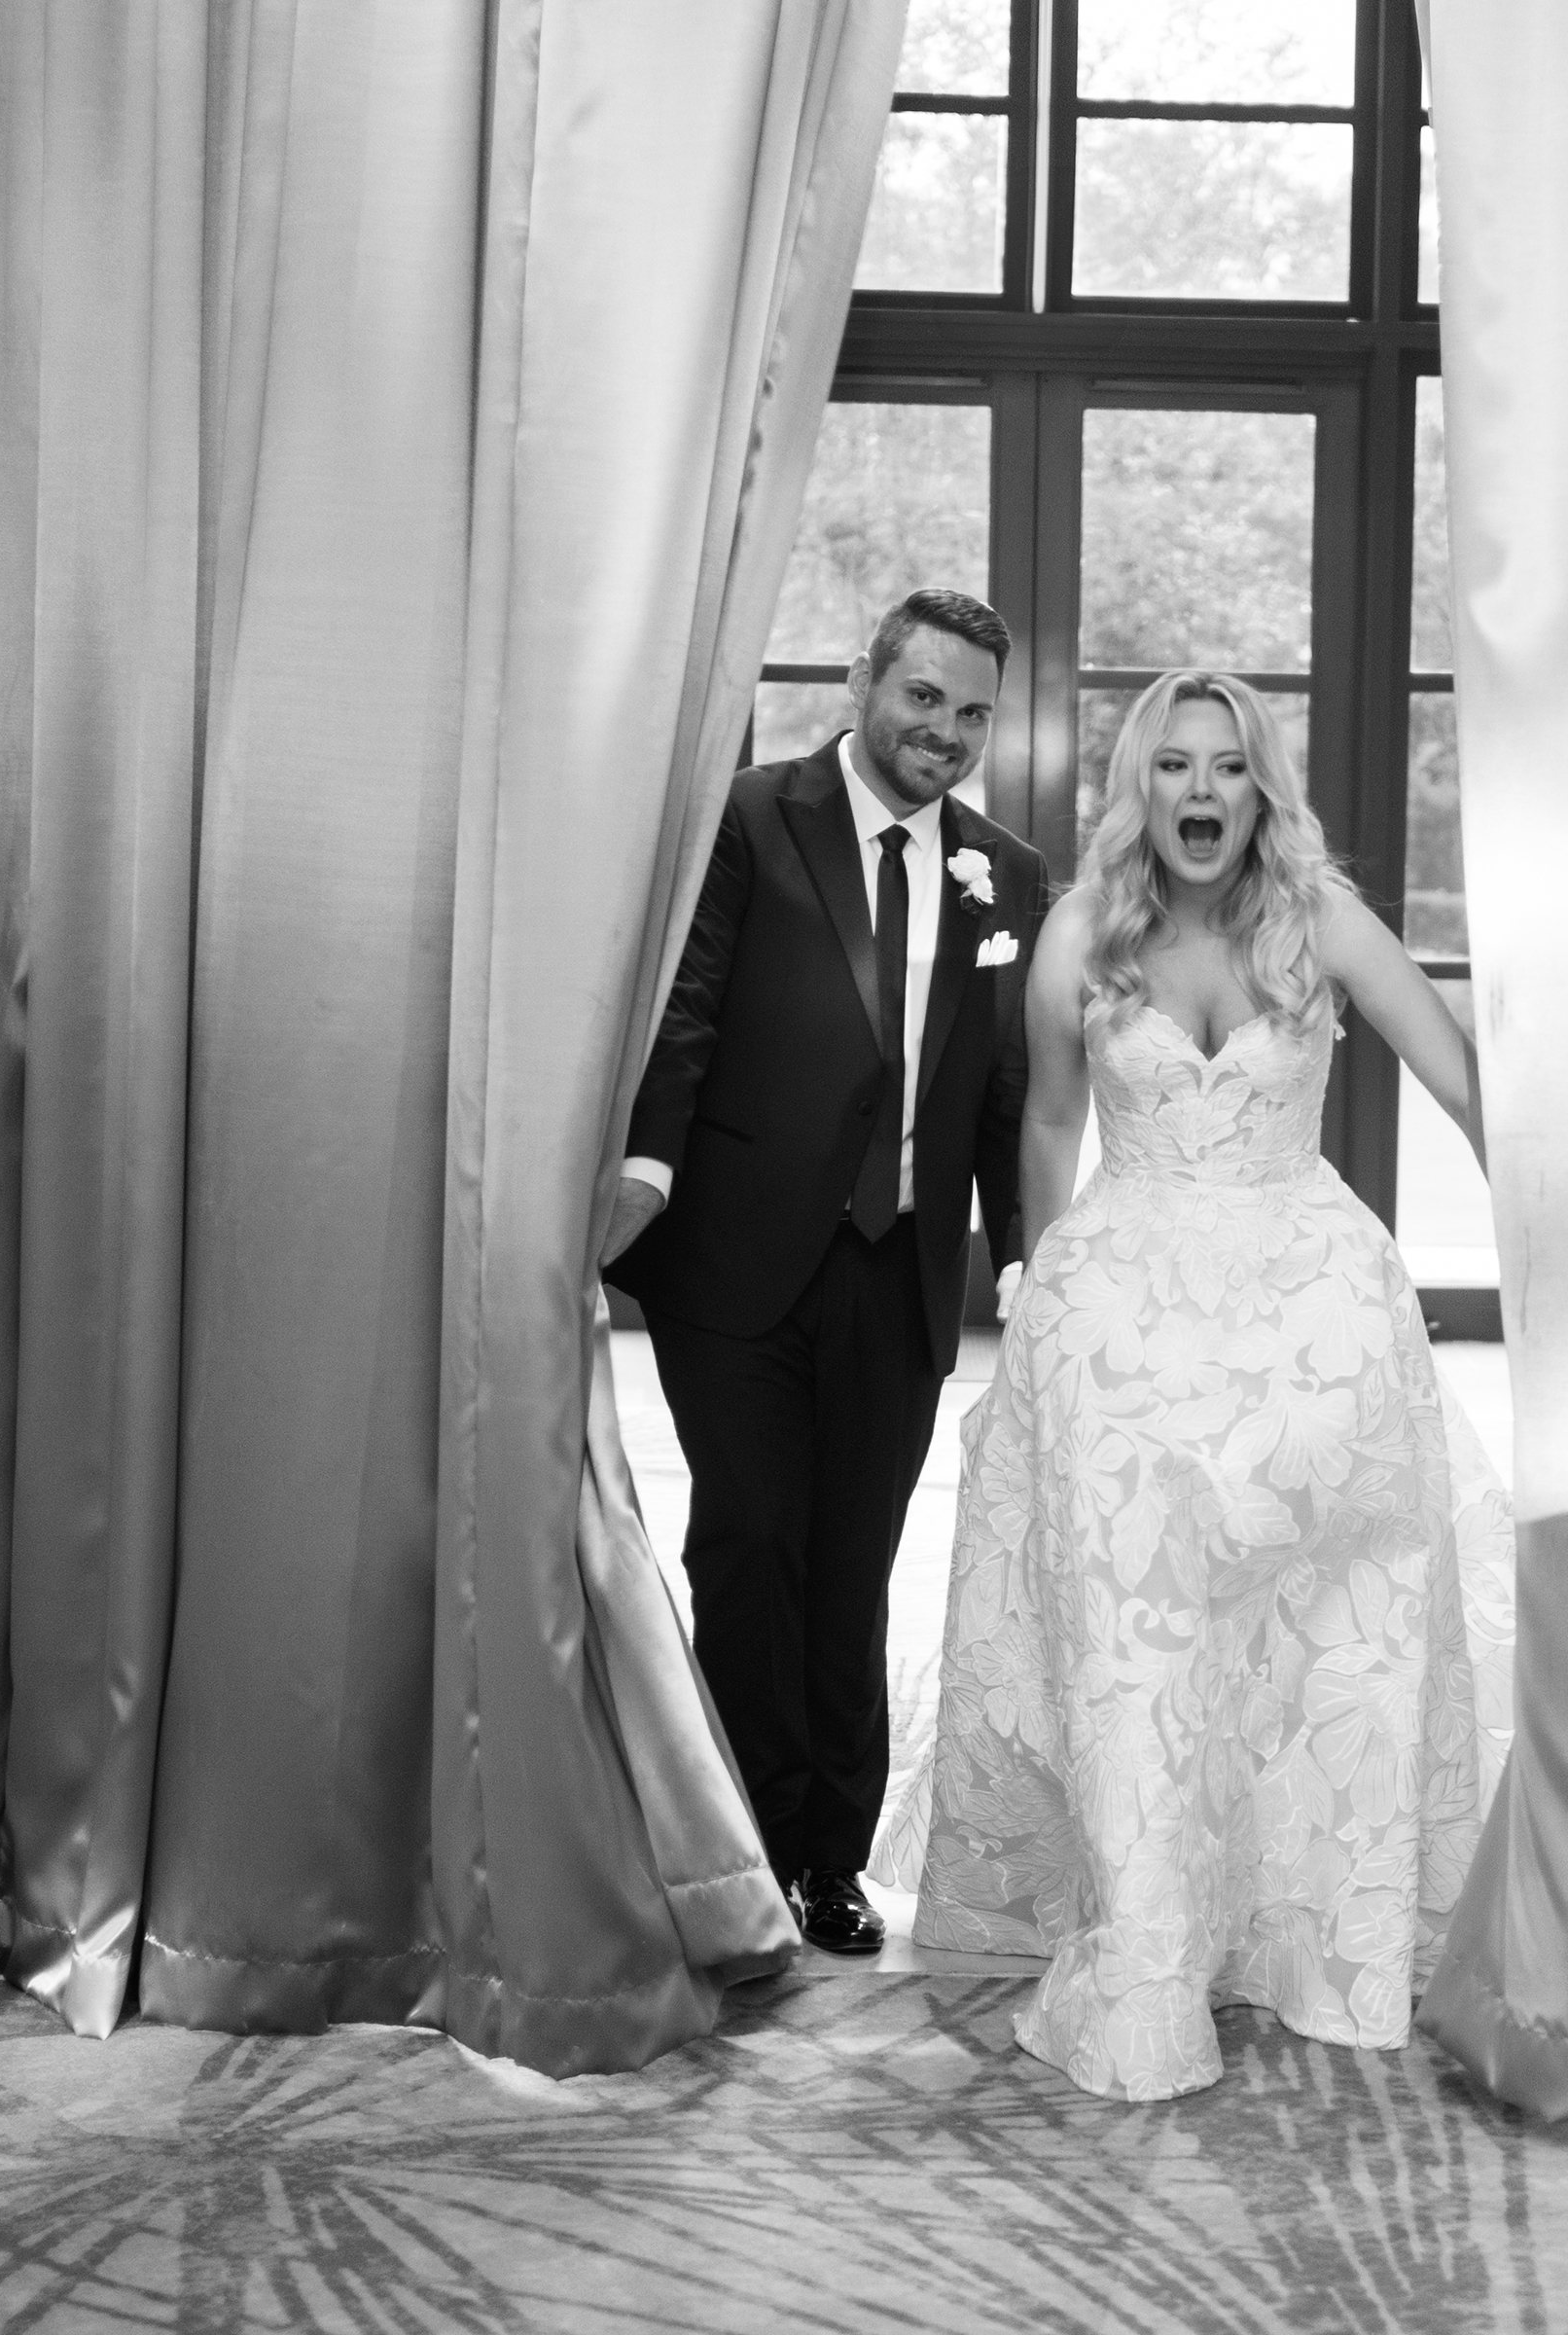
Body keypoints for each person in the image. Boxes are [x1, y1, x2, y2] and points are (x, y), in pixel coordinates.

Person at [876, 670, 1514, 2100]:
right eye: (1174, 765)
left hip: (1316, 1326)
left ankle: (1308, 1938)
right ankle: (1152, 1950)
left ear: (1259, 786)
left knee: (1319, 1645)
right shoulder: (1082, 929)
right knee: (1142, 1648)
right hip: (1131, 1328)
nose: (1203, 790)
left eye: (1228, 765)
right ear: (1142, 787)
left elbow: (1462, 1077)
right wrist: (1042, 1299)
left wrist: (1549, 1244)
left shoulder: (1320, 919)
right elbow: (1051, 1123)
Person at [602, 588, 1051, 1958]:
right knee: (749, 1548)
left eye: (972, 713)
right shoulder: (749, 819)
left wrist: (1024, 1264)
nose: (946, 732)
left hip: (898, 1274)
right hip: (735, 1261)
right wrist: (645, 1174)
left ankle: (830, 1862)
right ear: (865, 682)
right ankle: (738, 1849)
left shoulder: (1007, 876)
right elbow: (686, 1011)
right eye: (924, 697)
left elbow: (1006, 1094)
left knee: (853, 1568)